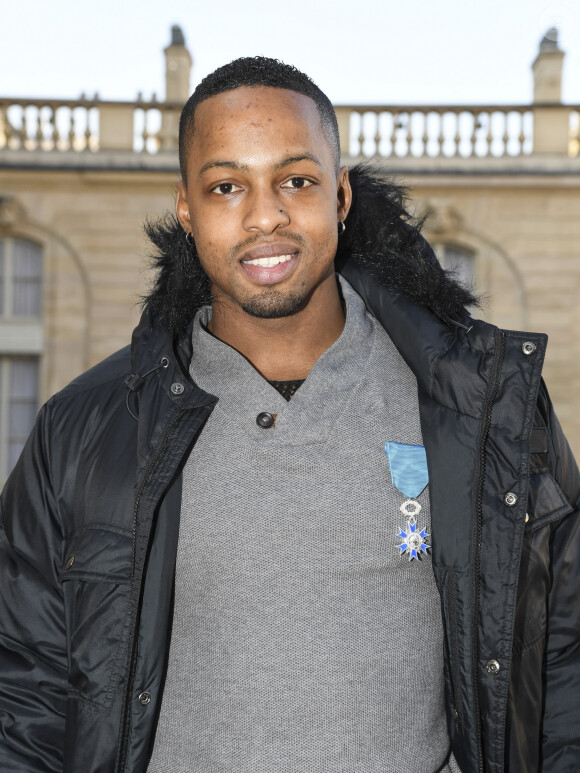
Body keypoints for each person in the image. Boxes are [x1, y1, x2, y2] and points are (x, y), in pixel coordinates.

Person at [0, 57, 579, 773]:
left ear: (339, 194)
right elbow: (23, 697)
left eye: (295, 180)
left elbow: (561, 664)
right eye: (227, 186)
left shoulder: (485, 409)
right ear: (187, 208)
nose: (265, 214)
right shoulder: (83, 430)